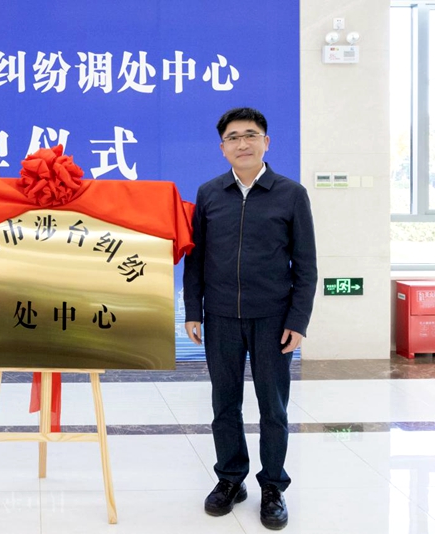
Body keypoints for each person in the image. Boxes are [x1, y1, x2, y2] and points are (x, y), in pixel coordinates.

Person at [183, 107, 317, 530]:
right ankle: (230, 479)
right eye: (234, 137)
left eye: (251, 135)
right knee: (224, 403)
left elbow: (306, 265)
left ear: (266, 142)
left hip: (273, 319)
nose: (243, 143)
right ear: (222, 148)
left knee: (273, 407)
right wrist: (193, 310)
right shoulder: (209, 194)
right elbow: (196, 259)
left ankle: (273, 486)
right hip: (221, 316)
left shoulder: (290, 194)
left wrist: (298, 319)